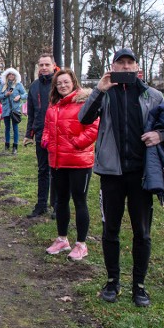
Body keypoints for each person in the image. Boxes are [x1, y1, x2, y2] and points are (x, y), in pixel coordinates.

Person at [79, 48, 164, 307]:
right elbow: (83, 119)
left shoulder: (152, 95)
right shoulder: (105, 94)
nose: (126, 67)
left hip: (142, 174)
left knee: (142, 231)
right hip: (112, 173)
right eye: (121, 63)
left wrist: (160, 136)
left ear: (137, 67)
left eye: (130, 63)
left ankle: (139, 286)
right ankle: (112, 281)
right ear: (113, 67)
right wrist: (99, 89)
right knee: (111, 229)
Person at [41, 68, 99, 261]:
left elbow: (94, 128)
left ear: (73, 82)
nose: (63, 86)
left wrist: (76, 143)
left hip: (79, 161)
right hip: (58, 161)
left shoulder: (84, 102)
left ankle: (81, 244)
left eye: (66, 82)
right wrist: (46, 141)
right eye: (59, 83)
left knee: (79, 201)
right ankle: (62, 239)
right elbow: (48, 128)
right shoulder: (53, 105)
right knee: (61, 201)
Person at [24, 53, 57, 218]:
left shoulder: (60, 83)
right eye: (41, 65)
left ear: (53, 65)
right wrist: (29, 133)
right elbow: (31, 112)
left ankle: (57, 206)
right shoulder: (34, 86)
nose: (44, 68)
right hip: (41, 134)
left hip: (58, 135)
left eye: (47, 65)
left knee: (57, 171)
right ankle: (41, 204)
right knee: (42, 170)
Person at [0, 68, 27, 154]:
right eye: (9, 74)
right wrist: (5, 94)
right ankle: (7, 145)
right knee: (7, 128)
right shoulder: (3, 85)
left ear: (15, 76)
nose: (11, 76)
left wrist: (20, 97)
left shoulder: (18, 85)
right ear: (7, 76)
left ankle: (15, 146)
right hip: (6, 109)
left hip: (15, 110)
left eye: (12, 74)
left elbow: (25, 94)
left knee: (15, 128)